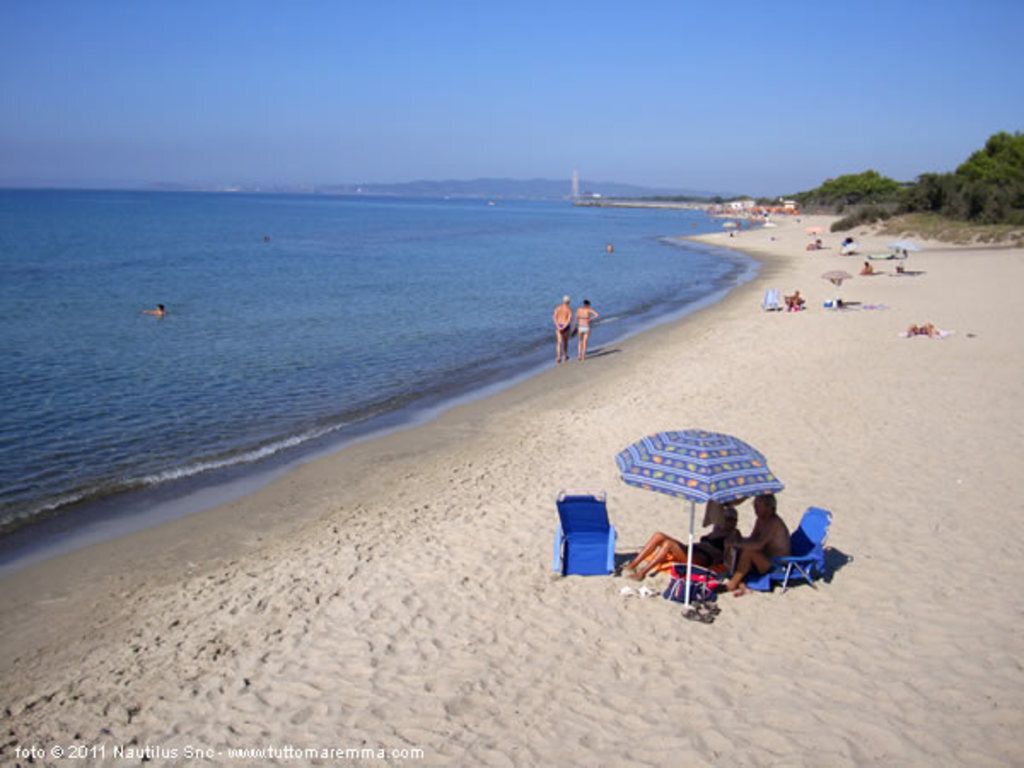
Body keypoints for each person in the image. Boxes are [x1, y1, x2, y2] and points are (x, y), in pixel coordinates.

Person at [622, 506, 740, 580]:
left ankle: (642, 573)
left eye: (730, 519)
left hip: (702, 559)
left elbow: (731, 554)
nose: (726, 521)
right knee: (659, 535)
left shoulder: (733, 534)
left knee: (668, 544)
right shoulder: (717, 529)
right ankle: (633, 565)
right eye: (725, 517)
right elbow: (712, 512)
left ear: (735, 521)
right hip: (693, 550)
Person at [721, 494, 791, 595]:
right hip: (765, 558)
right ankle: (741, 584)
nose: (755, 508)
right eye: (754, 504)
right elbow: (752, 539)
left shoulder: (774, 523)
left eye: (758, 505)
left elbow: (758, 545)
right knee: (739, 545)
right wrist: (737, 540)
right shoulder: (761, 520)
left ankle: (732, 584)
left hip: (778, 564)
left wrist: (737, 543)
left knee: (748, 552)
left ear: (769, 507)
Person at [552, 295, 573, 364]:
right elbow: (569, 320)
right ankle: (565, 355)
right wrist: (564, 327)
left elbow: (554, 317)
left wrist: (558, 326)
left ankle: (558, 357)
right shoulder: (569, 309)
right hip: (565, 326)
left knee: (559, 342)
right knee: (565, 342)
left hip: (559, 325)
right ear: (569, 301)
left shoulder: (557, 308)